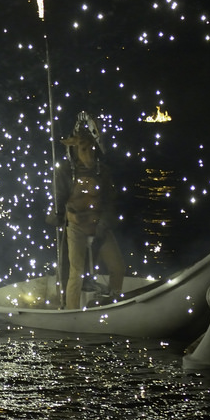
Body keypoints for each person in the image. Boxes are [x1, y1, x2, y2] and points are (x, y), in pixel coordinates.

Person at [50, 114, 126, 308]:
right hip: (76, 228)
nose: (89, 155)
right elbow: (58, 204)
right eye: (84, 150)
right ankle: (72, 312)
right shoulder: (65, 172)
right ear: (75, 149)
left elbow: (110, 202)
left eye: (91, 149)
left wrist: (103, 224)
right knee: (76, 274)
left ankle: (114, 302)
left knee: (118, 268)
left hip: (99, 225)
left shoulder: (103, 172)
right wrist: (61, 215)